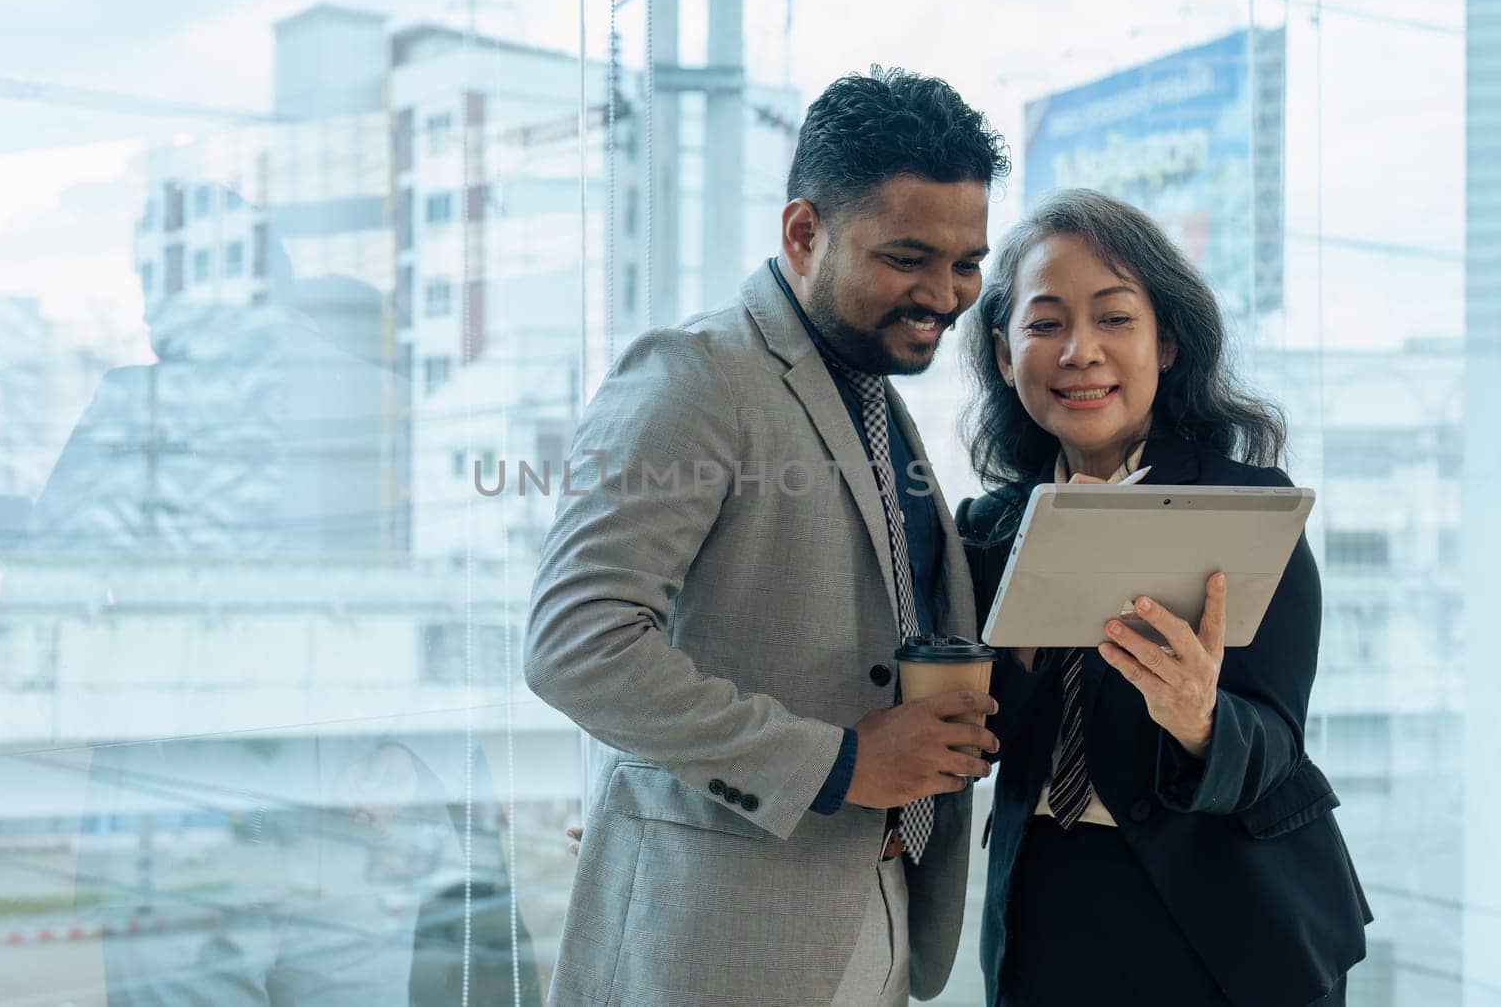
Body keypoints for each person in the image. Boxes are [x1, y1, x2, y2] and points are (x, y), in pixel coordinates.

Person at [525, 68, 1009, 1006]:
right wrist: (842, 763)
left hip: (876, 921)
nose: (945, 295)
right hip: (717, 939)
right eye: (908, 257)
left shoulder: (874, 399)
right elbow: (574, 646)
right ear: (803, 233)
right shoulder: (696, 375)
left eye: (965, 262)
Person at [955, 189, 1372, 1006]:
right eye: (1044, 324)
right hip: (1048, 908)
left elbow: (1277, 739)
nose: (1081, 351)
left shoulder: (1247, 506)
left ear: (1168, 340)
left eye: (1115, 318)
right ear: (1005, 355)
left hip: (1228, 923)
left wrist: (1201, 720)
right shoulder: (986, 529)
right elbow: (982, 731)